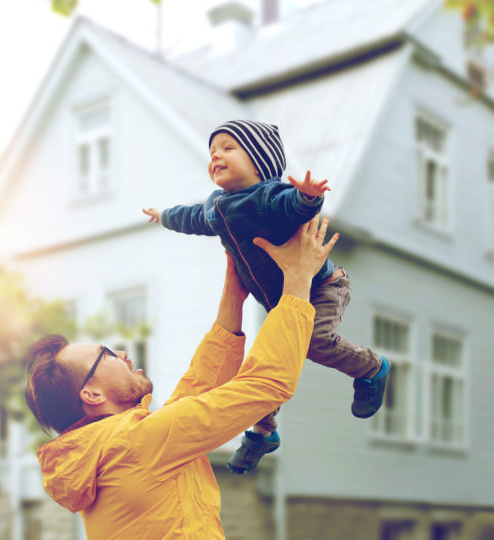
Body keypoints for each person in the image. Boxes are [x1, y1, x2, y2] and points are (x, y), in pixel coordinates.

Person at [26, 216, 337, 539]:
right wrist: (299, 276)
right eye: (106, 353)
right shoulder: (135, 443)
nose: (121, 354)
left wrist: (234, 289)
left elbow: (196, 392)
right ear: (91, 395)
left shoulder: (110, 451)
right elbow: (268, 383)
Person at [143, 119, 390, 474]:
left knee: (314, 343)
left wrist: (308, 196)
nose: (216, 156)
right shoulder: (215, 206)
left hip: (322, 286)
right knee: (265, 362)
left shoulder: (268, 195)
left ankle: (372, 368)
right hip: (282, 303)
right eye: (212, 152)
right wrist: (165, 216)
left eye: (228, 148)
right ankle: (263, 433)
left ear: (259, 161)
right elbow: (191, 217)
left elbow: (293, 205)